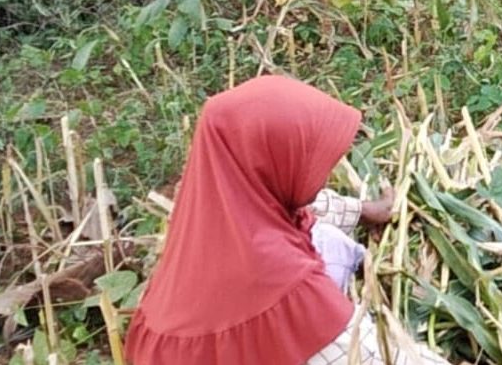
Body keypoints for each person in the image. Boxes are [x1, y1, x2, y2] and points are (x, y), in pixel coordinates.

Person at [125, 75, 448, 365]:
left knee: (326, 236)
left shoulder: (213, 204)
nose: (326, 174)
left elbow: (305, 211)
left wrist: (365, 210)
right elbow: (368, 356)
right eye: (313, 161)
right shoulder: (284, 285)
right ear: (272, 162)